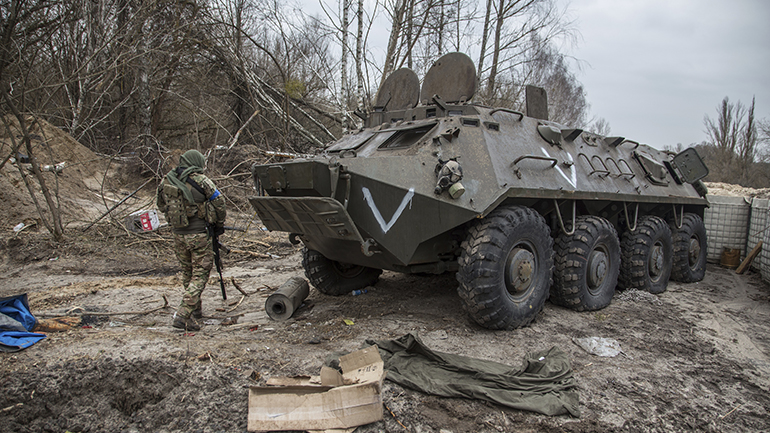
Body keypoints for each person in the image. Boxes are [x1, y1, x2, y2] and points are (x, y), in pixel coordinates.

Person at [157, 150, 226, 331]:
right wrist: (219, 223)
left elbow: (161, 205)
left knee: (188, 272)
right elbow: (220, 202)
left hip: (178, 234)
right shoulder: (201, 181)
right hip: (199, 235)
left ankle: (196, 311)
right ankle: (183, 314)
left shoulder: (166, 180)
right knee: (200, 274)